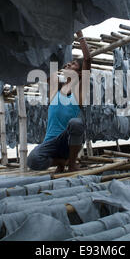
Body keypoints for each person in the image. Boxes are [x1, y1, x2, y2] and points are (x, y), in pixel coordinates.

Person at [27, 30, 91, 173]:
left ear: (80, 73)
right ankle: (62, 162)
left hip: (67, 141)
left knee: (76, 123)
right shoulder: (55, 90)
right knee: (32, 160)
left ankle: (72, 164)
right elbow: (48, 65)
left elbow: (87, 60)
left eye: (73, 64)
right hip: (50, 142)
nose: (68, 65)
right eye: (68, 63)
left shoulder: (79, 92)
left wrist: (79, 34)